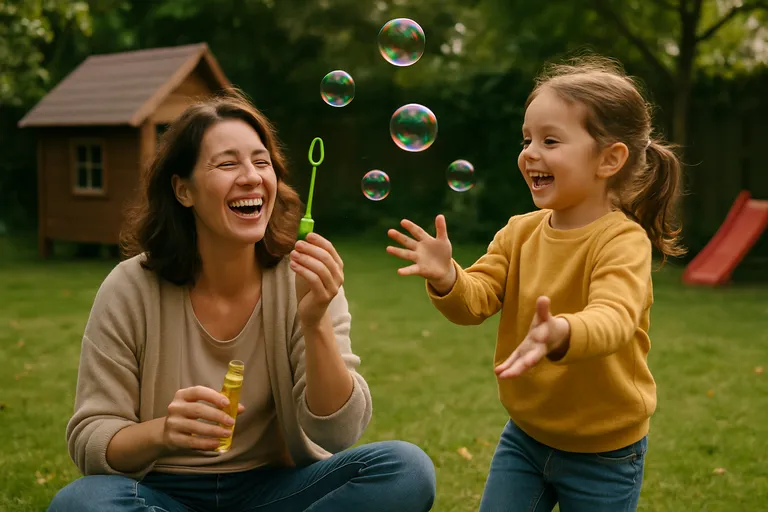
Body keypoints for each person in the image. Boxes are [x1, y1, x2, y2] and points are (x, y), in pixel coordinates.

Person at [48, 90, 436, 512]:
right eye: (227, 163)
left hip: (277, 491)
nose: (251, 176)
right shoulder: (130, 288)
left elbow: (339, 434)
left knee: (406, 469)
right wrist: (162, 432)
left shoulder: (301, 280)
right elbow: (91, 440)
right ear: (183, 191)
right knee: (81, 503)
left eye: (262, 161)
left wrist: (315, 321)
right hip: (161, 494)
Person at [386, 55, 685, 512]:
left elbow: (616, 317)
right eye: (527, 138)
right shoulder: (519, 232)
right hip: (525, 438)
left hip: (605, 451)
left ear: (610, 158)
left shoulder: (622, 241)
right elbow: (477, 301)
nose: (529, 153)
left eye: (550, 140)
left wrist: (562, 332)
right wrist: (449, 278)